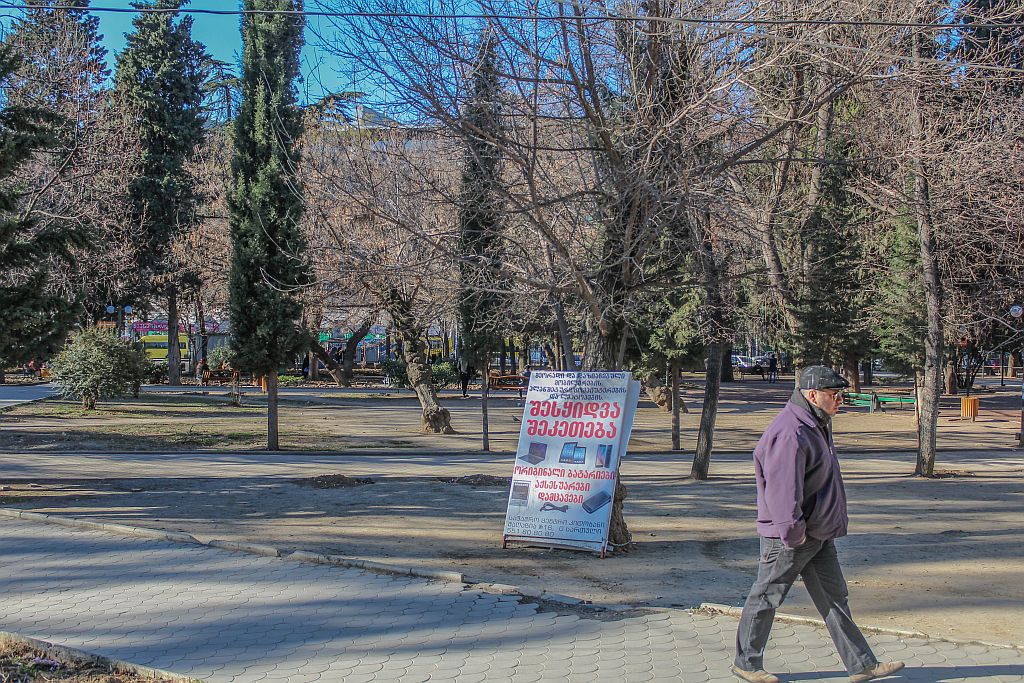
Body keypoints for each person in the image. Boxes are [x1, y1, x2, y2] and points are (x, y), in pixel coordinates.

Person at [732, 366, 904, 683]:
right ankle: (747, 664)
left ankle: (861, 665)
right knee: (767, 596)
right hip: (793, 537)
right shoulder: (790, 432)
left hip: (818, 533)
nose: (841, 399)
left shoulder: (814, 423)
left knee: (834, 598)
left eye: (842, 394)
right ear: (813, 395)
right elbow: (783, 492)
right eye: (834, 394)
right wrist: (794, 535)